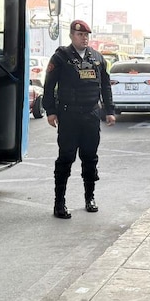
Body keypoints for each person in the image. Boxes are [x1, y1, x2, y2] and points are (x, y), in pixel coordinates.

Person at [42, 20, 116, 219]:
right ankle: (59, 202)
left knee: (90, 157)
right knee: (66, 158)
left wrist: (109, 110)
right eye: (80, 35)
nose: (84, 38)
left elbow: (106, 87)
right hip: (69, 115)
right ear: (71, 36)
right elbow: (49, 87)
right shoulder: (60, 58)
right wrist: (50, 111)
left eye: (86, 35)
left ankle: (89, 197)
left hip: (91, 116)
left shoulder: (97, 58)